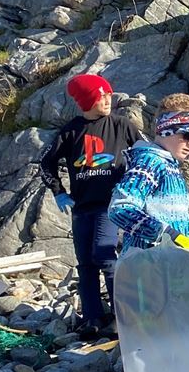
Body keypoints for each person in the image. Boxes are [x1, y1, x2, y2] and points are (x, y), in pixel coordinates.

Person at [37, 73, 145, 336]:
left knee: (104, 255)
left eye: (108, 94)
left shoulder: (122, 125)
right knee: (85, 263)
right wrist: (58, 191)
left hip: (112, 205)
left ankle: (125, 316)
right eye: (100, 96)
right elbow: (45, 163)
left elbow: (147, 154)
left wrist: (137, 188)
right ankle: (93, 318)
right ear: (86, 101)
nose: (108, 100)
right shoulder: (71, 131)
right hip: (81, 207)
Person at [108, 94, 189, 255]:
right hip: (146, 265)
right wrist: (168, 234)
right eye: (188, 135)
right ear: (166, 128)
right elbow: (120, 208)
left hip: (167, 263)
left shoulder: (170, 165)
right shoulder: (149, 162)